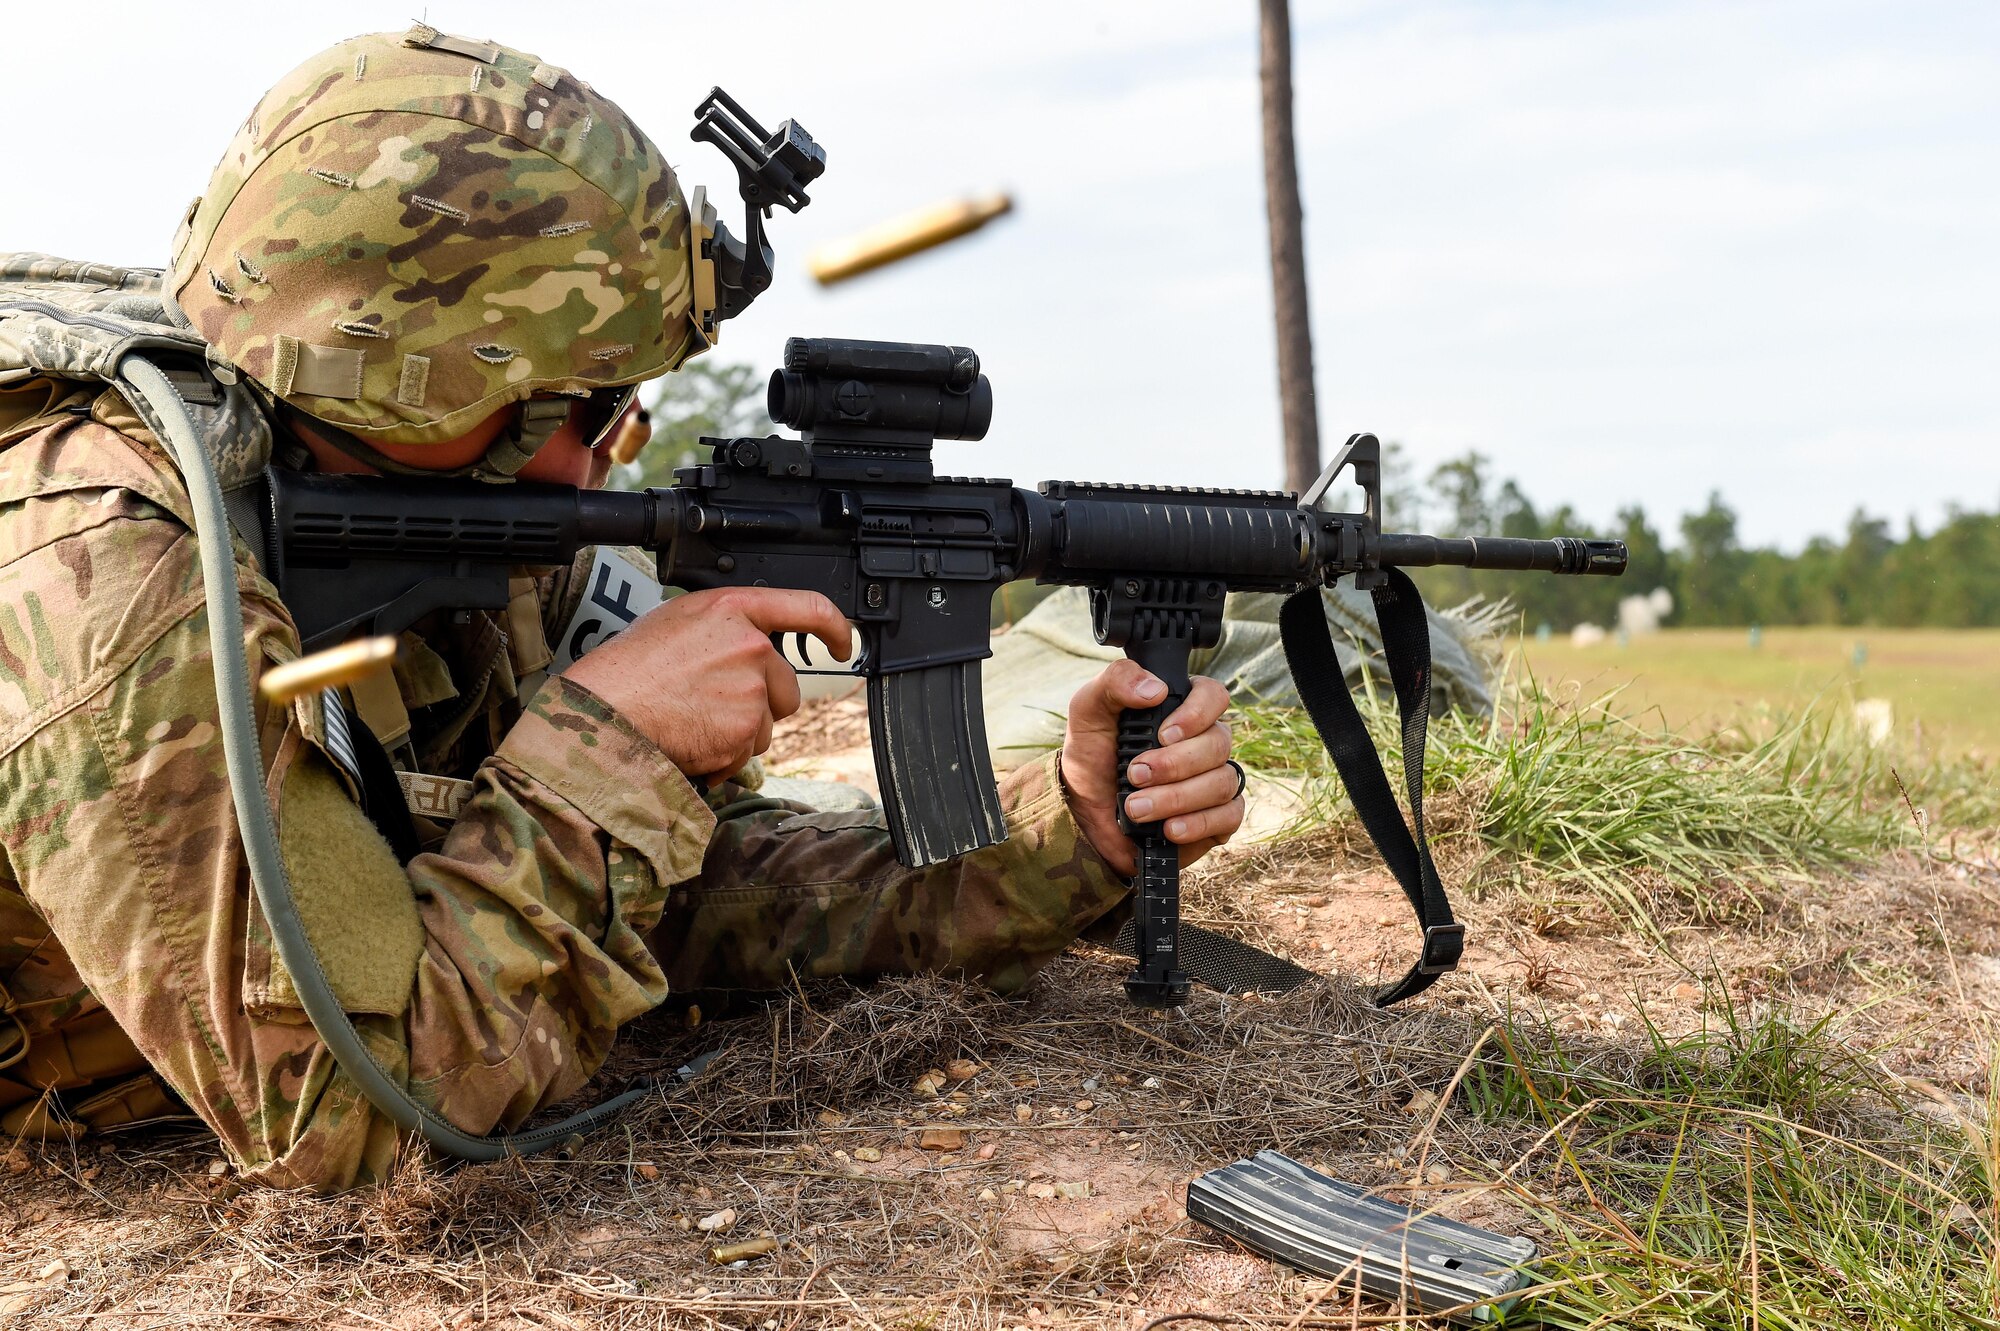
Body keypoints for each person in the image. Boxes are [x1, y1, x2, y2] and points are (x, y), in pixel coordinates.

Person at [0, 29, 1245, 1191]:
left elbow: (683, 894)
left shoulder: (429, 515)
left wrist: (1070, 834)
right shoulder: (99, 577)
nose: (614, 455)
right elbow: (347, 1116)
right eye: (595, 408)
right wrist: (609, 748)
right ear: (436, 392)